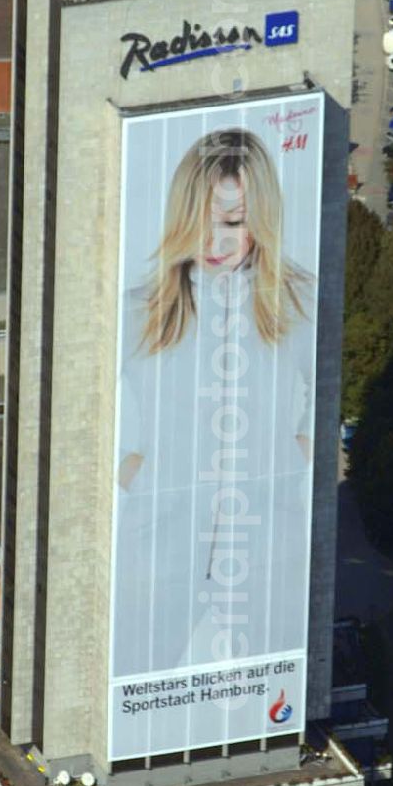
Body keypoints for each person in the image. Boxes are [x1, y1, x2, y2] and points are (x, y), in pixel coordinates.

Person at [114, 123, 316, 681]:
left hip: (266, 546)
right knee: (139, 693)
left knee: (263, 696)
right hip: (159, 542)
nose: (214, 242)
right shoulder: (137, 310)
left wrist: (295, 455)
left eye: (232, 222)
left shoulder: (300, 303)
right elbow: (82, 416)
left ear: (263, 219)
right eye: (199, 222)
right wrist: (132, 469)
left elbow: (328, 408)